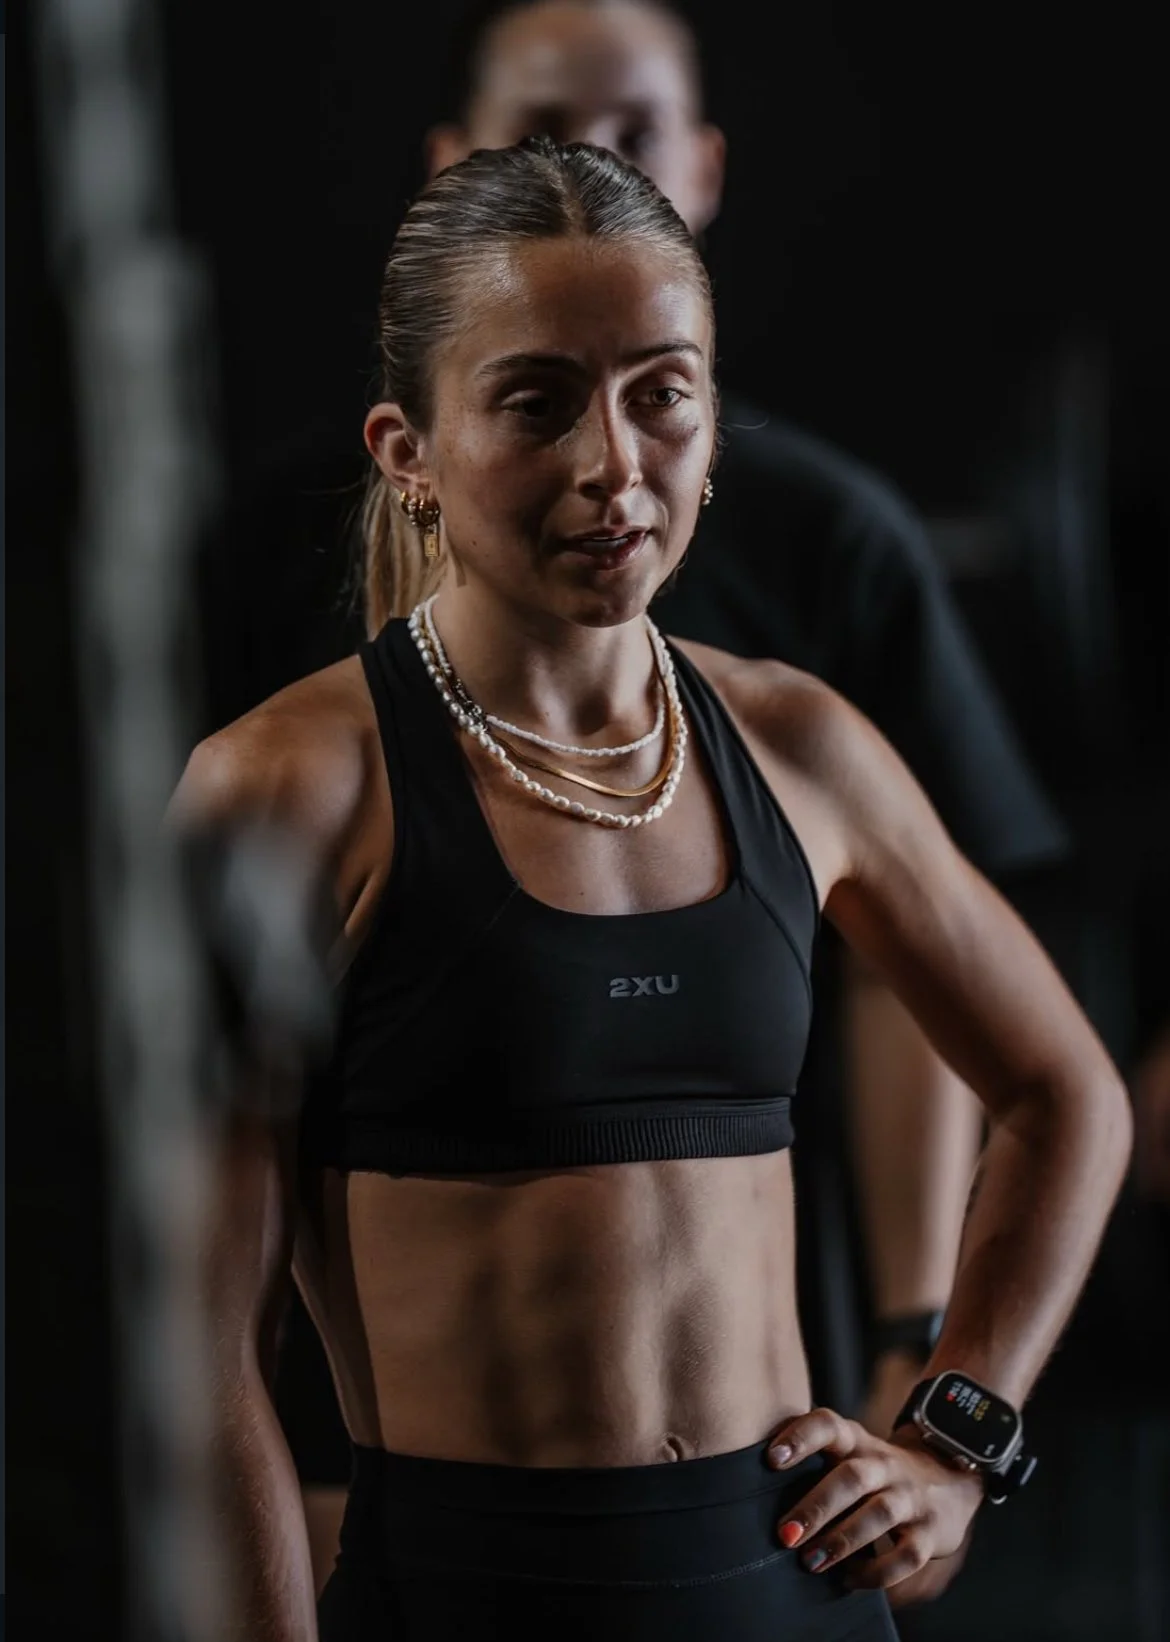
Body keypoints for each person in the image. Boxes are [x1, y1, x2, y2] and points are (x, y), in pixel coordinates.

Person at [174, 138, 1130, 1642]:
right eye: (536, 402)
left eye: (662, 393)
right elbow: (197, 1335)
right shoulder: (287, 789)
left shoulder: (802, 745)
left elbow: (1064, 1092)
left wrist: (957, 1441)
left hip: (801, 1597)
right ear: (407, 449)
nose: (614, 466)